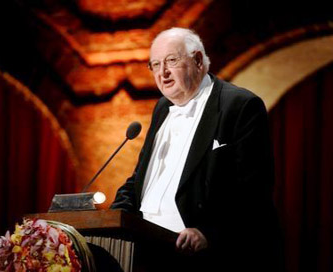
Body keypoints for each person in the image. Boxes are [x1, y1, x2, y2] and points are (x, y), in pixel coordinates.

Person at [111, 27, 282, 271]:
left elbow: (255, 189)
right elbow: (143, 179)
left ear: (198, 60)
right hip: (148, 252)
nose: (163, 73)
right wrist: (113, 216)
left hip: (211, 257)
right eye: (155, 64)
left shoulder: (239, 105)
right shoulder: (161, 109)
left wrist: (210, 233)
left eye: (171, 61)